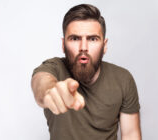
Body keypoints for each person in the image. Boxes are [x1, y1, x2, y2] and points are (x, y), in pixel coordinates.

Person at [31, 4, 141, 140]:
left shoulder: (123, 79)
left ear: (104, 45)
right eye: (75, 38)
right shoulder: (54, 68)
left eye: (93, 39)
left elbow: (131, 135)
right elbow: (40, 81)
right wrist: (50, 90)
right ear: (63, 45)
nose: (83, 47)